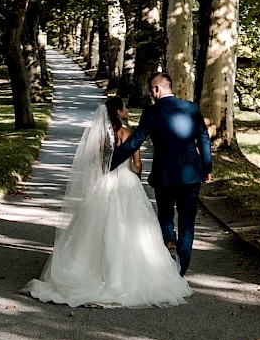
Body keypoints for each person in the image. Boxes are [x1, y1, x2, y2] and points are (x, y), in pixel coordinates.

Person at [22, 97, 192, 308]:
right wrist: (134, 177)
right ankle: (131, 277)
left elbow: (97, 164)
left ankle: (90, 271)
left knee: (95, 229)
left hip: (104, 183)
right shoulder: (129, 133)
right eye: (126, 107)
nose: (128, 110)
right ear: (119, 111)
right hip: (127, 182)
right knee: (135, 230)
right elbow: (137, 164)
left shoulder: (101, 136)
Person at [109, 72, 212, 275]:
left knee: (165, 216)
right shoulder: (191, 108)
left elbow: (135, 141)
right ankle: (181, 268)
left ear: (157, 89)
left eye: (151, 91)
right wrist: (207, 167)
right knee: (187, 222)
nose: (151, 95)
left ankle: (169, 242)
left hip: (164, 174)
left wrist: (111, 163)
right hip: (191, 175)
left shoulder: (151, 113)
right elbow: (204, 139)